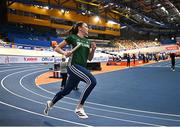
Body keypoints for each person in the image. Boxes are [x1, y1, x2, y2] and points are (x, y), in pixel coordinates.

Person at [44, 21, 97, 119]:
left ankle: (50, 103)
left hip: (82, 67)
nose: (88, 28)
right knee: (92, 81)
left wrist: (93, 50)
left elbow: (89, 58)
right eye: (86, 26)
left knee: (66, 91)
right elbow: (57, 48)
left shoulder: (87, 41)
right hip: (73, 66)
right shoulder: (72, 37)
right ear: (80, 28)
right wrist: (64, 52)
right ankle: (79, 107)